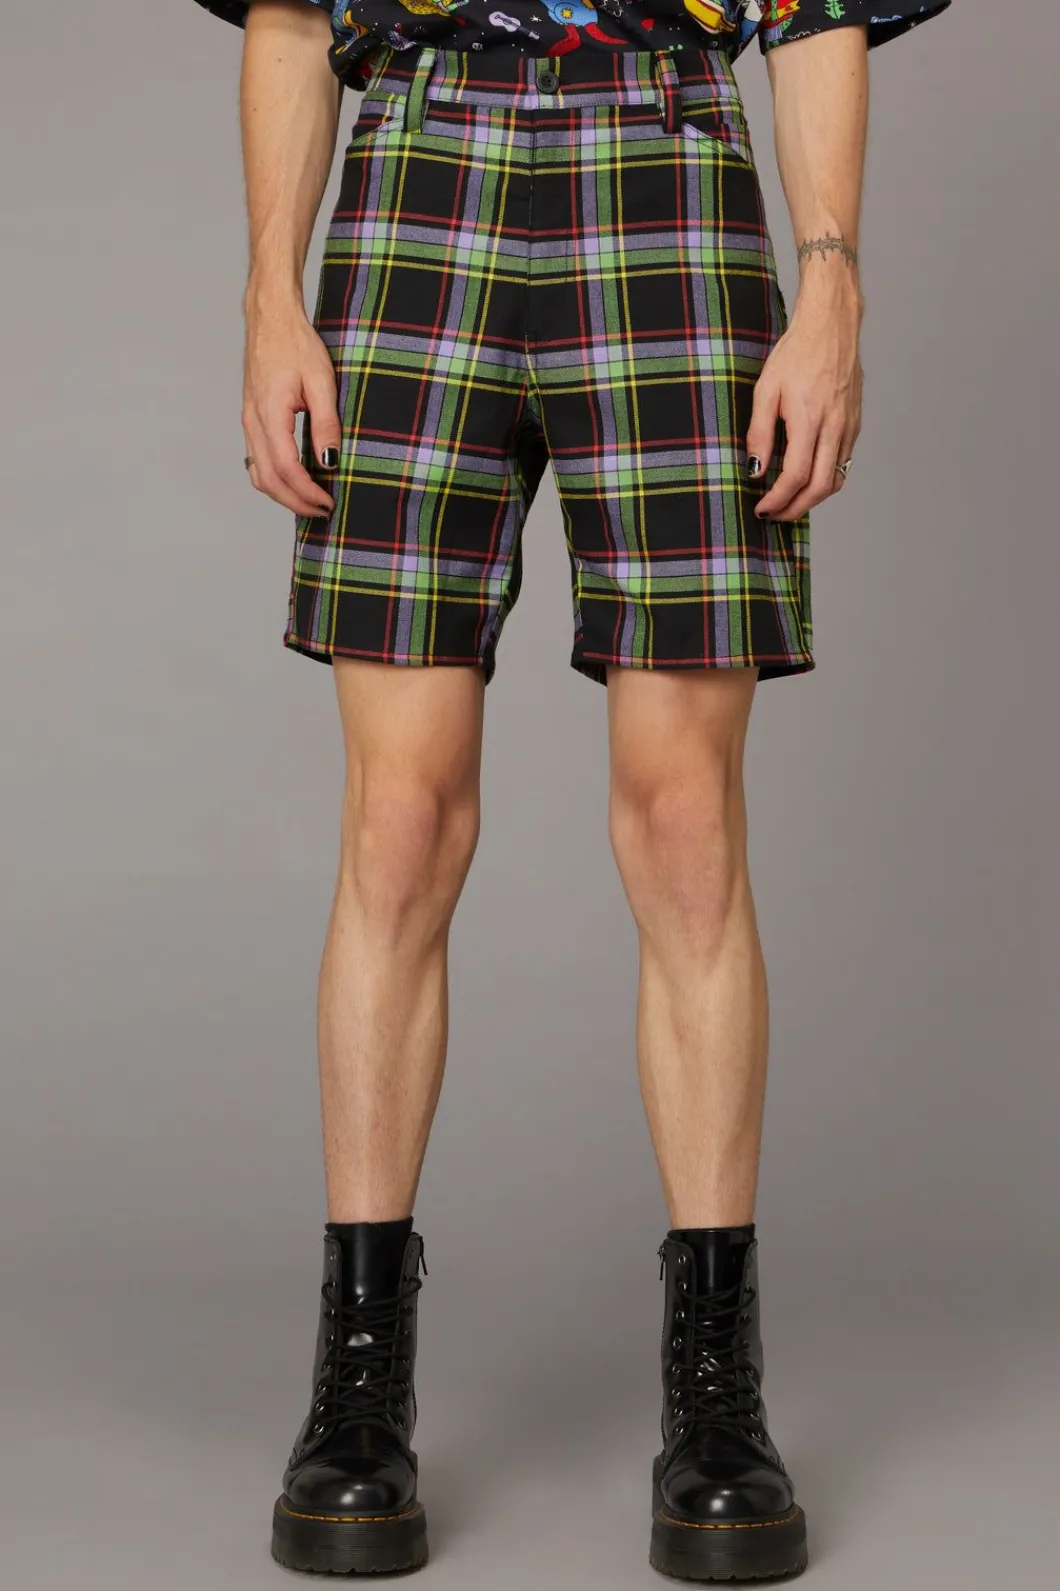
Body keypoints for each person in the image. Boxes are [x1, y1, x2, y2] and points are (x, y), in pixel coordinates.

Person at [194, 0, 948, 1578]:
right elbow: (287, 11)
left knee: (687, 826)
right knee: (400, 822)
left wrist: (832, 287)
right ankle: (357, 1390)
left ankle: (718, 1397)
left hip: (667, 165)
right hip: (418, 171)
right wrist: (270, 294)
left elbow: (813, 9)